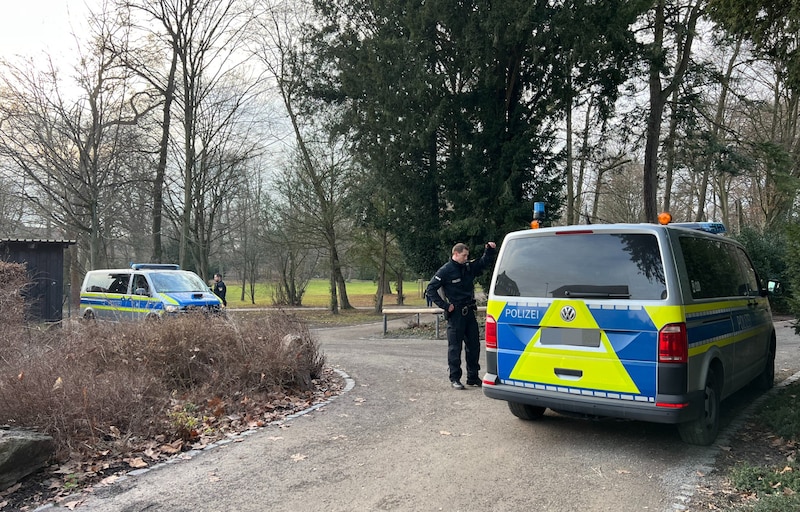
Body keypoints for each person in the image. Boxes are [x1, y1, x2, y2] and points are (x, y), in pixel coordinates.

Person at [426, 241, 497, 390]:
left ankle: (472, 377)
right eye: (464, 255)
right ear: (455, 254)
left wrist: (489, 251)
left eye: (467, 255)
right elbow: (431, 289)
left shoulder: (467, 267)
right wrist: (445, 306)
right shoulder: (445, 270)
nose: (466, 258)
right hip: (456, 314)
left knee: (474, 346)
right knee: (455, 348)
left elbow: (482, 263)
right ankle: (455, 378)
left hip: (469, 312)